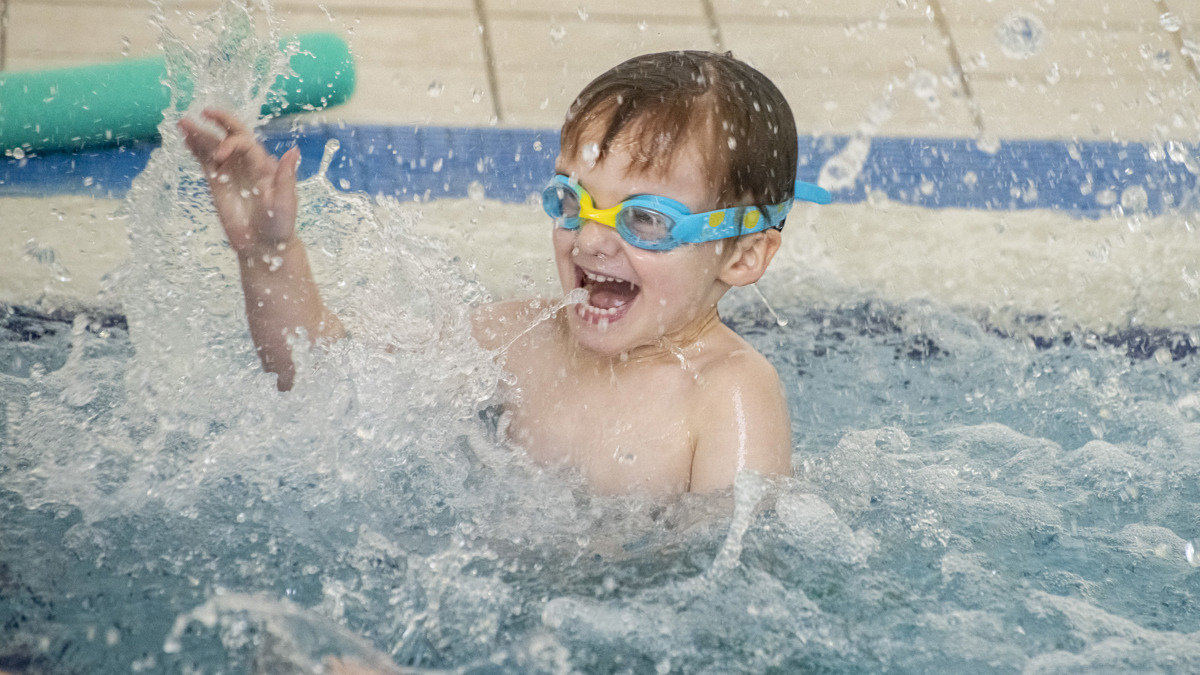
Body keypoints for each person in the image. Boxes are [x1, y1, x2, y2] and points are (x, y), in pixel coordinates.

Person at [179, 50, 831, 496]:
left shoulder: (729, 398)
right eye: (572, 201)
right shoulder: (522, 337)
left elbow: (730, 608)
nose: (591, 238)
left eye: (647, 220)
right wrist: (268, 253)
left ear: (744, 254)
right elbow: (319, 380)